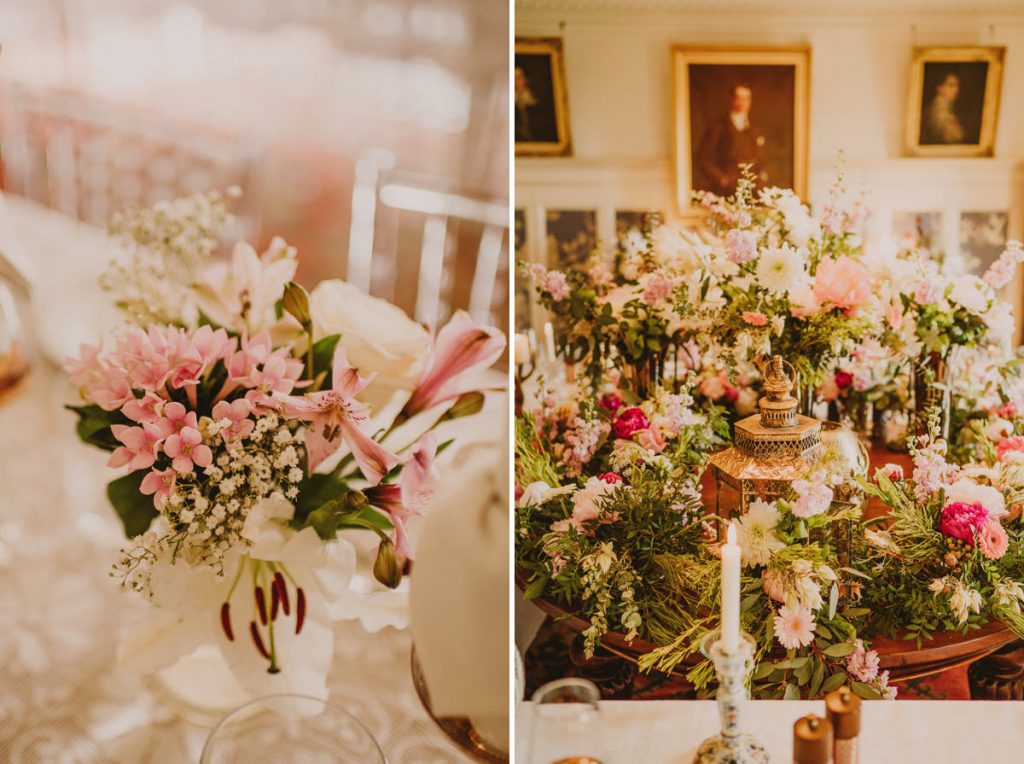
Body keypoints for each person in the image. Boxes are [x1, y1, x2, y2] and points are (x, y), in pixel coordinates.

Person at [695, 83, 767, 195]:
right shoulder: (718, 127)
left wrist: (761, 175)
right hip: (728, 189)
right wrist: (722, 180)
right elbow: (702, 158)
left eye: (746, 98)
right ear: (732, 99)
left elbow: (759, 157)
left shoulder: (754, 128)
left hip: (753, 188)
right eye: (739, 98)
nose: (742, 102)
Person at [921, 71, 966, 144]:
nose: (956, 90)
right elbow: (954, 137)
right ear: (940, 88)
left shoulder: (944, 108)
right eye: (951, 85)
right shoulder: (940, 110)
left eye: (957, 86)